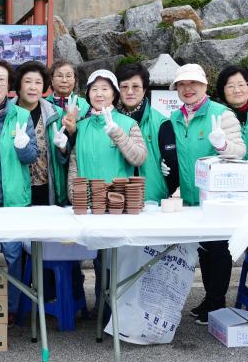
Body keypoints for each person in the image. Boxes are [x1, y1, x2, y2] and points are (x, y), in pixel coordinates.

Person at [166, 63, 246, 324]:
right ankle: (210, 298)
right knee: (204, 249)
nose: (188, 89)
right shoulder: (175, 118)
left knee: (219, 249)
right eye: (182, 84)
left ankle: (216, 302)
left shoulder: (222, 114)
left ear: (205, 86)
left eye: (194, 83)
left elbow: (240, 151)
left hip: (219, 199)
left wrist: (222, 144)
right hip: (191, 197)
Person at [68, 69, 148, 316]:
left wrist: (117, 133)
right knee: (100, 260)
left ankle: (122, 311)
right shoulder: (81, 127)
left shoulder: (128, 124)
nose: (99, 94)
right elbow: (74, 163)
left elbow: (139, 157)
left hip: (120, 206)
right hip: (90, 206)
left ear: (114, 94)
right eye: (94, 89)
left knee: (121, 260)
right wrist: (74, 194)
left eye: (105, 89)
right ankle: (104, 310)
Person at [0, 59, 38, 320]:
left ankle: (10, 309)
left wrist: (23, 147)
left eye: (2, 80)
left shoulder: (21, 116)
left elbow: (32, 156)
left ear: (9, 86)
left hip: (13, 197)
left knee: (12, 256)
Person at [115, 63, 177, 202]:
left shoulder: (161, 122)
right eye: (124, 87)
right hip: (117, 199)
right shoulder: (111, 122)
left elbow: (172, 163)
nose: (129, 92)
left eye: (136, 86)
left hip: (152, 199)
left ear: (144, 90)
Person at [14, 61, 71, 206]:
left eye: (38, 82)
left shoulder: (55, 114)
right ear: (19, 85)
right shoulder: (8, 113)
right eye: (28, 82)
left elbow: (66, 158)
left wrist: (63, 148)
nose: (33, 87)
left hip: (47, 188)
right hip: (15, 188)